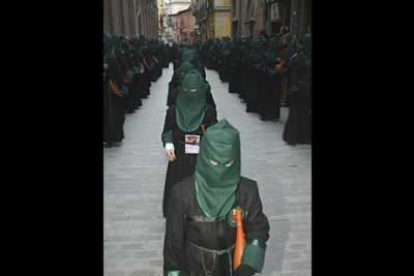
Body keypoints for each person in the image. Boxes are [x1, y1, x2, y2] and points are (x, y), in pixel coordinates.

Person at [163, 119, 270, 276]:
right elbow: (174, 241)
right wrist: (174, 272)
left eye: (228, 164)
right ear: (204, 155)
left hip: (234, 267)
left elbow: (258, 229)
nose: (219, 170)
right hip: (194, 268)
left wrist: (248, 264)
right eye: (213, 161)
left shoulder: (247, 191)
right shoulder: (183, 193)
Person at [161, 70, 218, 218]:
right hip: (179, 156)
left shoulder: (208, 111)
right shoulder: (174, 111)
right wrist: (169, 145)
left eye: (195, 91)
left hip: (201, 158)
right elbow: (167, 131)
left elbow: (214, 134)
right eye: (188, 90)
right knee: (179, 188)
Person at [283, 37, 311, 145]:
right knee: (297, 113)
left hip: (305, 88)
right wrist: (294, 87)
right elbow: (293, 74)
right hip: (300, 88)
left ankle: (303, 136)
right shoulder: (297, 58)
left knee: (304, 113)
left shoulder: (302, 57)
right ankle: (294, 136)